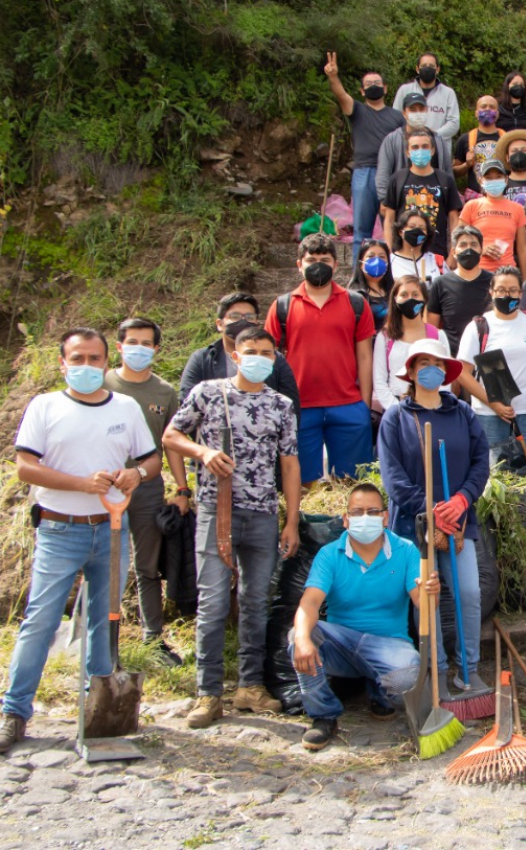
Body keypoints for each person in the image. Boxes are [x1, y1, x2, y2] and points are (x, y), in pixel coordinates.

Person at [1, 328, 158, 753]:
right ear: (62, 363)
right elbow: (26, 467)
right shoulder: (46, 406)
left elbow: (151, 458)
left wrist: (136, 475)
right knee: (41, 621)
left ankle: (99, 708)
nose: (86, 366)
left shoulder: (124, 406)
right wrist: (80, 484)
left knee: (105, 621)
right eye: (77, 359)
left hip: (110, 528)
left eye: (94, 359)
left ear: (107, 363)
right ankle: (14, 712)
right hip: (59, 528)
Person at [163, 327, 301, 728]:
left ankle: (250, 685)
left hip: (261, 513)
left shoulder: (280, 404)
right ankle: (207, 694)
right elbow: (172, 435)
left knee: (257, 601)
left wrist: (290, 519)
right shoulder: (209, 393)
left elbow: (289, 463)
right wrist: (202, 451)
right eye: (250, 351)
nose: (257, 357)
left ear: (275, 358)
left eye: (266, 351)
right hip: (215, 509)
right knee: (213, 603)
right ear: (235, 354)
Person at [377, 340, 491, 695]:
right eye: (423, 363)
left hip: (459, 521)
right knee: (426, 595)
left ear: (446, 371)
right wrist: (428, 510)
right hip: (415, 523)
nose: (431, 369)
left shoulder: (462, 413)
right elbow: (392, 476)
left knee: (469, 592)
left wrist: (460, 501)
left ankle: (468, 669)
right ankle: (437, 670)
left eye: (437, 363)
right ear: (410, 372)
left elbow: (480, 462)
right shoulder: (396, 417)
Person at [290, 483, 440, 751]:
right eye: (358, 512)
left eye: (372, 511)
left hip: (389, 645)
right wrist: (302, 638)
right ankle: (324, 716)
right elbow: (309, 602)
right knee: (298, 637)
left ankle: (379, 690)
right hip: (342, 645)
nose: (365, 518)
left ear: (384, 517)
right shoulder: (329, 555)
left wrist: (431, 592)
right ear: (346, 519)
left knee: (407, 676)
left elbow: (424, 605)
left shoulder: (405, 550)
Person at [104, 318, 190, 664]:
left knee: (147, 565)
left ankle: (152, 640)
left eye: (146, 343)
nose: (138, 348)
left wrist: (182, 488)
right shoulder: (102, 383)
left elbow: (172, 444)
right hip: (101, 488)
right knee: (100, 563)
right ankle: (98, 641)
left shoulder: (164, 392)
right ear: (120, 346)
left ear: (156, 349)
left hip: (147, 485)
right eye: (132, 342)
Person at [264, 234, 375, 485]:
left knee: (354, 481)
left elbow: (365, 355)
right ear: (299, 265)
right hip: (299, 407)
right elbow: (267, 357)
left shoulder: (356, 303)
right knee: (302, 482)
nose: (318, 265)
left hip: (348, 403)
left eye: (325, 259)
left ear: (336, 265)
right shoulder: (282, 306)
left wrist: (364, 404)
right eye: (311, 260)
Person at [456, 266, 526, 465]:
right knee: (496, 476)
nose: (507, 295)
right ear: (492, 292)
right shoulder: (478, 327)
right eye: (501, 290)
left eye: (513, 290)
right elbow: (463, 373)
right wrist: (493, 403)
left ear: (520, 293)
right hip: (490, 413)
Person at [323, 52, 403, 269]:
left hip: (391, 173)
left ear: (386, 88)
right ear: (361, 90)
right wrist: (333, 77)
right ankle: (359, 274)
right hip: (364, 172)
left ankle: (395, 270)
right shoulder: (357, 109)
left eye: (377, 83)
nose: (373, 86)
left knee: (394, 225)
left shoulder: (397, 117)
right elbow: (340, 94)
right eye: (368, 83)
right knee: (362, 229)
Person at [180, 292, 300, 415]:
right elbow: (187, 404)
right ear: (220, 324)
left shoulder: (273, 359)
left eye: (249, 317)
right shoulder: (202, 360)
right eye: (235, 316)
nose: (243, 322)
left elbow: (291, 406)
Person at [373, 275, 450, 412]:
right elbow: (379, 381)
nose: (410, 299)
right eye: (404, 294)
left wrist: (434, 406)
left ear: (424, 299)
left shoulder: (438, 335)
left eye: (415, 294)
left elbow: (446, 378)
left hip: (433, 409)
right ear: (395, 299)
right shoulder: (385, 337)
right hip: (396, 409)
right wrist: (397, 409)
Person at [381, 127, 462, 258]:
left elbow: (454, 219)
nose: (420, 150)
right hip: (402, 253)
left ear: (432, 150)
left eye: (425, 146)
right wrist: (389, 250)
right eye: (415, 147)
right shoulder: (398, 179)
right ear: (407, 152)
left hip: (436, 254)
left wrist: (453, 253)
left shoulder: (445, 180)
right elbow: (389, 218)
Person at [425, 225, 494, 355]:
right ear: (453, 252)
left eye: (474, 245)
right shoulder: (440, 284)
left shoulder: (494, 282)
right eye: (463, 245)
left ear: (481, 250)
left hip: (488, 358)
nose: (469, 249)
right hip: (453, 359)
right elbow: (432, 329)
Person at [375, 92, 454, 200]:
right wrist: (384, 199)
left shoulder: (437, 139)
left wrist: (450, 199)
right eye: (413, 110)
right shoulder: (392, 140)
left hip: (434, 201)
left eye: (421, 109)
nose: (418, 113)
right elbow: (383, 173)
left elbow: (447, 170)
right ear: (404, 113)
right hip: (402, 202)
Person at [458, 160, 526, 276]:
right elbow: (458, 242)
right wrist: (480, 249)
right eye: (489, 178)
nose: (494, 181)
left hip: (507, 275)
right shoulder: (471, 206)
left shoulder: (517, 209)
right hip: (476, 273)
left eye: (498, 177)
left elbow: (522, 249)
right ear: (481, 180)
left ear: (506, 179)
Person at [392, 52, 460, 143]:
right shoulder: (404, 90)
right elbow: (395, 119)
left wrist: (434, 135)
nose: (427, 68)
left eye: (431, 66)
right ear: (417, 69)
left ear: (437, 69)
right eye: (424, 65)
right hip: (409, 146)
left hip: (439, 148)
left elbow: (454, 123)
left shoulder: (448, 93)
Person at [452, 95, 502, 195]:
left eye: (492, 107)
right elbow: (454, 172)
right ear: (476, 113)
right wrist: (466, 165)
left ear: (497, 114)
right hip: (476, 198)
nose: (487, 109)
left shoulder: (506, 138)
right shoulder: (465, 139)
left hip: (502, 196)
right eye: (483, 107)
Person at [348, 240, 394, 332]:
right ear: (361, 264)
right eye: (371, 256)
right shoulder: (354, 296)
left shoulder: (395, 290)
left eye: (382, 257)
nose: (377, 261)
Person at [387, 209, 445, 282]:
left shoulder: (437, 261)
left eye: (422, 228)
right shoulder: (390, 262)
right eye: (412, 227)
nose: (417, 231)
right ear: (401, 232)